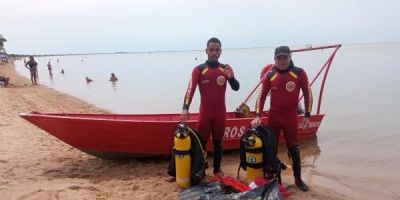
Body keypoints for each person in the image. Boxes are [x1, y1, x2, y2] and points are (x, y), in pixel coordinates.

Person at [251, 46, 312, 192]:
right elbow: (261, 97)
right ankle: (271, 177)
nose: (282, 60)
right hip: (274, 117)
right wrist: (258, 116)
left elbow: (308, 93)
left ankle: (298, 179)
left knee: (293, 147)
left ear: (290, 57)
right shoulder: (270, 75)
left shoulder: (299, 73)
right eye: (279, 58)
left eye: (285, 57)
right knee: (271, 148)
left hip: (290, 117)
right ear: (274, 59)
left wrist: (307, 114)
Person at [181, 37, 240, 175]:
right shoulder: (199, 69)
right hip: (205, 114)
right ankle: (200, 169)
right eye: (211, 50)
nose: (214, 53)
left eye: (217, 50)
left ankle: (217, 169)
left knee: (219, 142)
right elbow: (191, 89)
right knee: (201, 143)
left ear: (220, 52)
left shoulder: (224, 69)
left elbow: (236, 88)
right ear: (206, 51)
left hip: (220, 114)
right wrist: (185, 107)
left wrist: (231, 77)